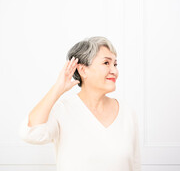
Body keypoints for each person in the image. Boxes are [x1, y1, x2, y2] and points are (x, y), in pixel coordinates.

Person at [19, 36, 141, 171]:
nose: (114, 71)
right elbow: (30, 133)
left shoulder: (128, 113)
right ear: (83, 70)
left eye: (115, 64)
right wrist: (57, 89)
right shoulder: (62, 110)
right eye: (106, 63)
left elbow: (135, 165)